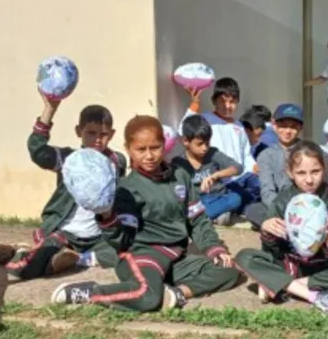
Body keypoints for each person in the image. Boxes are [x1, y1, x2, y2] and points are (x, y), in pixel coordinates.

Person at [51, 116, 241, 311]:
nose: (149, 156)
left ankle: (177, 293)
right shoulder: (126, 189)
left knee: (230, 270)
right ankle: (89, 293)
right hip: (143, 256)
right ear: (128, 149)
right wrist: (106, 216)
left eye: (155, 147)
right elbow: (121, 242)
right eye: (141, 150)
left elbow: (197, 219)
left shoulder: (180, 177)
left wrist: (215, 249)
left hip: (176, 258)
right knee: (148, 297)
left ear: (164, 145)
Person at [0, 96, 126, 280]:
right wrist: (50, 109)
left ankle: (76, 258)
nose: (97, 140)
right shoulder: (69, 159)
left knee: (126, 252)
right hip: (66, 232)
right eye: (91, 133)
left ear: (111, 134)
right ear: (79, 131)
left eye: (102, 135)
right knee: (23, 271)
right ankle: (17, 251)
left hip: (97, 236)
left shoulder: (116, 162)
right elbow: (38, 151)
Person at [234, 141, 328, 313]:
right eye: (301, 173)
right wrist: (267, 232)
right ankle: (315, 295)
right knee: (244, 257)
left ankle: (283, 285)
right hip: (289, 266)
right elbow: (271, 252)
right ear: (290, 173)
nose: (309, 180)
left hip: (322, 268)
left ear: (324, 169)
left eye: (315, 171)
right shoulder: (282, 201)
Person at [244, 103, 328, 228]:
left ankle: (292, 226)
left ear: (300, 128)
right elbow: (267, 191)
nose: (287, 131)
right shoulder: (265, 155)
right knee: (252, 210)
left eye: (293, 127)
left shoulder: (312, 150)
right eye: (283, 126)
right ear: (274, 125)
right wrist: (285, 209)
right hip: (280, 205)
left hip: (310, 203)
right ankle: (287, 226)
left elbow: (327, 184)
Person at [179, 77, 260, 212]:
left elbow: (245, 153)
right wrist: (194, 105)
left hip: (240, 175)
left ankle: (228, 209)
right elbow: (184, 129)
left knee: (259, 186)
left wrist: (254, 166)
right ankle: (217, 210)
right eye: (223, 101)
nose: (228, 106)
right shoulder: (206, 119)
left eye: (232, 102)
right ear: (214, 101)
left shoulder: (238, 126)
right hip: (219, 180)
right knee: (236, 198)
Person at [172, 115, 242, 226]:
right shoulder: (179, 162)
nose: (204, 148)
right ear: (185, 141)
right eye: (199, 144)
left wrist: (215, 175)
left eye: (207, 143)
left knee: (235, 199)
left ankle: (200, 218)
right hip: (196, 202)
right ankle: (214, 216)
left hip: (218, 197)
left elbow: (238, 168)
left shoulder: (213, 153)